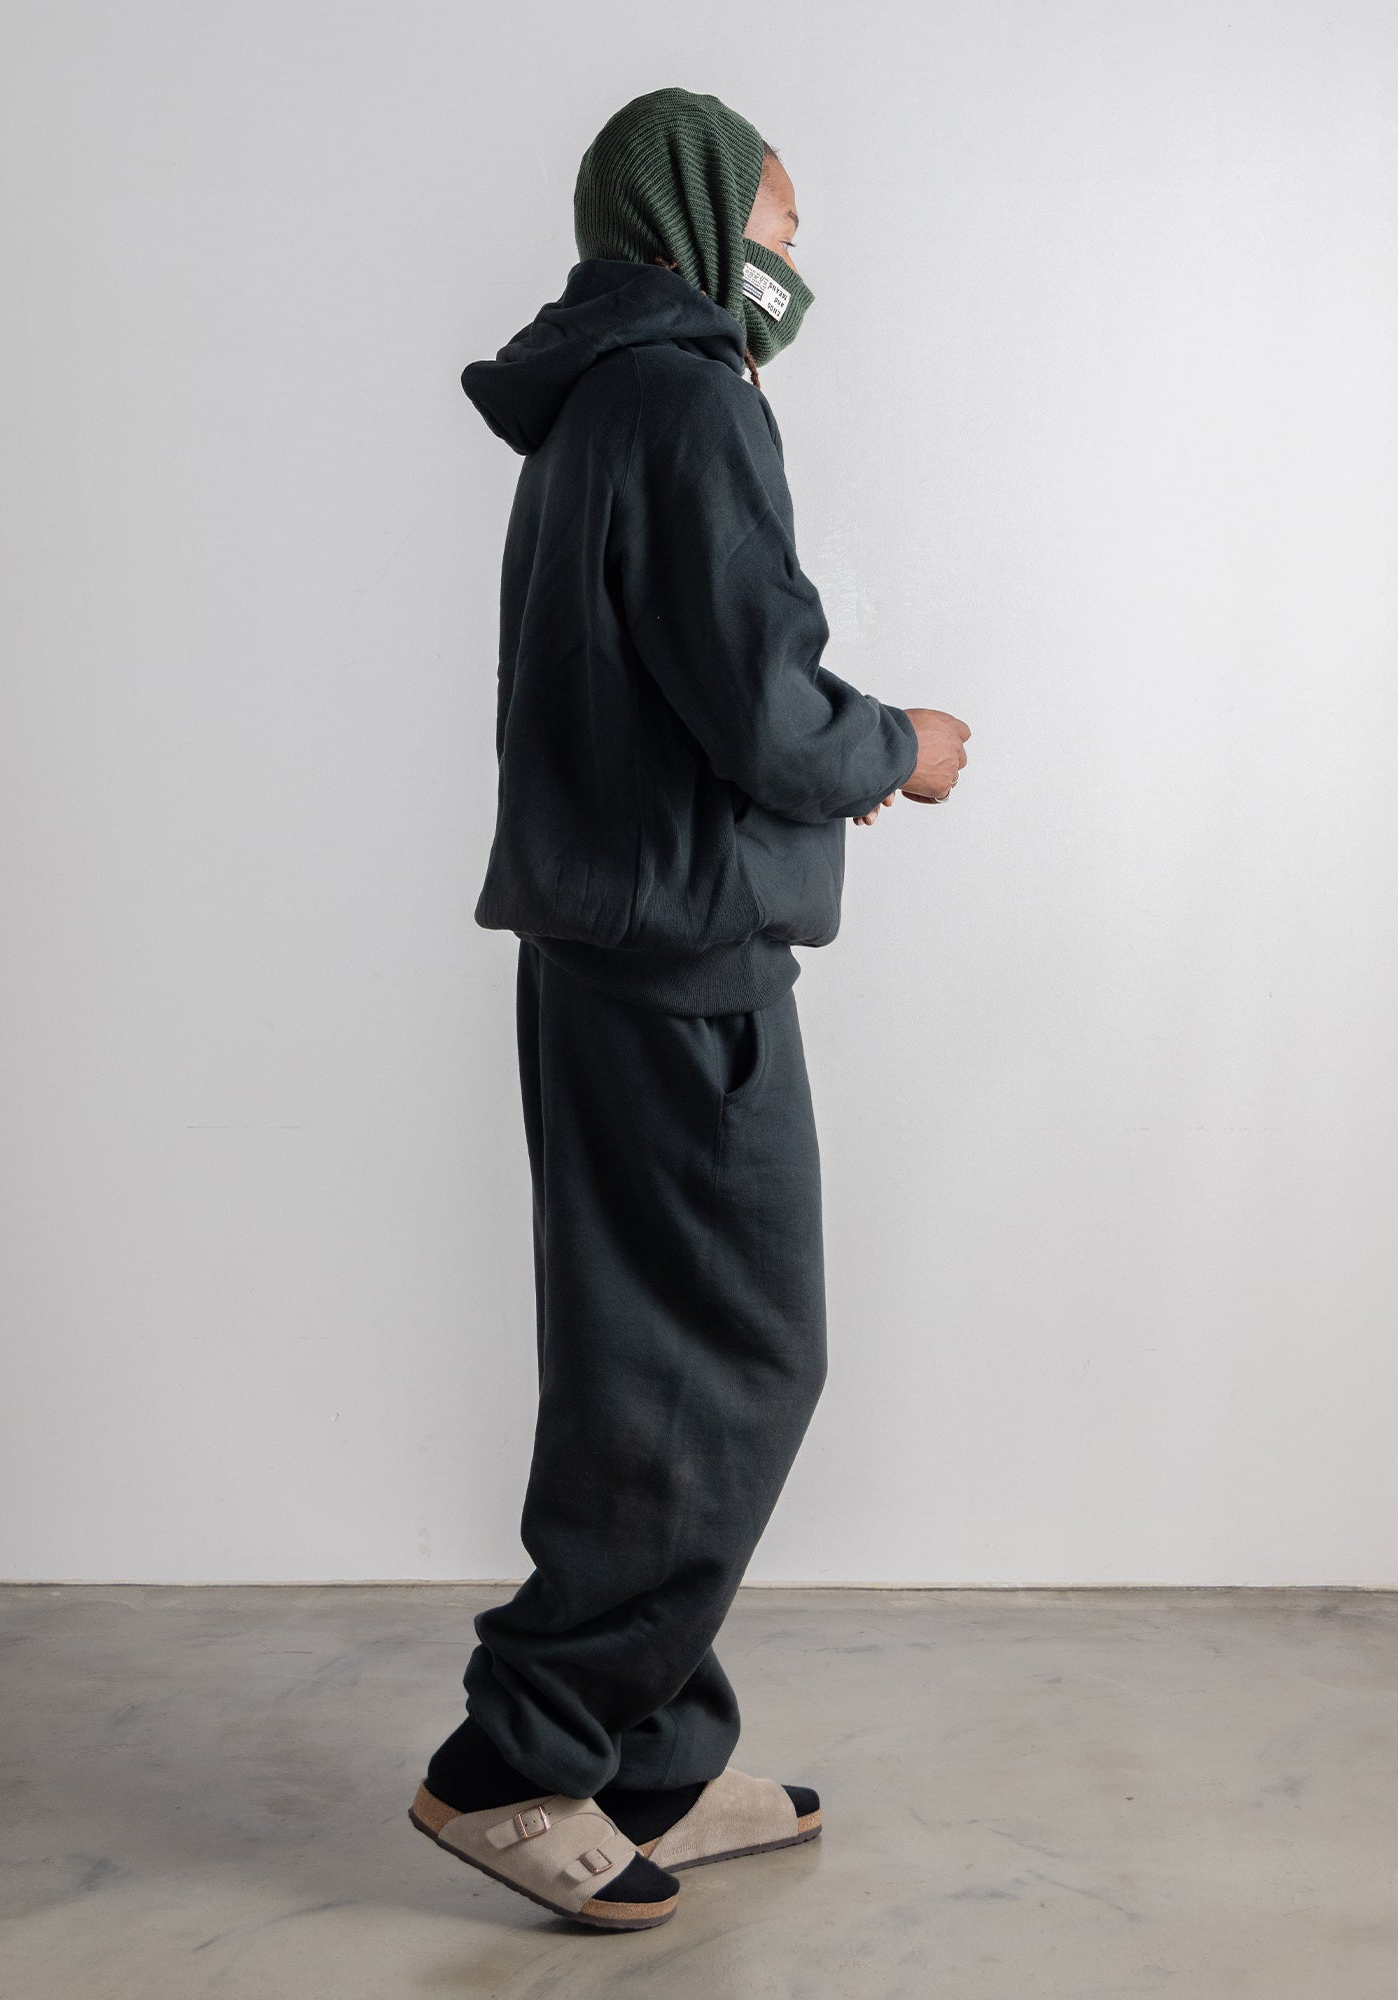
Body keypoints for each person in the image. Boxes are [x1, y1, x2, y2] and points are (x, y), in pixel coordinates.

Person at [409, 84, 970, 1932]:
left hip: (605, 944)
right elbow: (763, 703)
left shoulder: (595, 399)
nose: (795, 264)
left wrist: (803, 755)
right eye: (783, 226)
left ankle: (650, 1754)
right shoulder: (692, 397)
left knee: (648, 1360)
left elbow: (675, 691)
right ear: (705, 213)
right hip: (681, 968)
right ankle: (519, 1752)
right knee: (736, 1360)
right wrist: (898, 748)